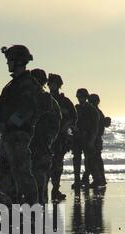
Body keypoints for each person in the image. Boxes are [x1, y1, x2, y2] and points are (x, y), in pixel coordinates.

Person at [0, 45, 40, 205]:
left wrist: (10, 123)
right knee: (5, 178)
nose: (7, 64)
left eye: (9, 60)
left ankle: (31, 212)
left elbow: (28, 110)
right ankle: (8, 212)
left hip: (18, 135)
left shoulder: (28, 84)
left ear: (18, 61)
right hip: (8, 136)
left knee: (22, 175)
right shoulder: (12, 85)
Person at [30, 68, 62, 203]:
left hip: (42, 146)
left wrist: (48, 141)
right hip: (31, 146)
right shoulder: (28, 99)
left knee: (41, 180)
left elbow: (57, 124)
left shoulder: (47, 100)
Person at [47, 73, 77, 201]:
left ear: (58, 85)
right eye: (49, 83)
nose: (51, 85)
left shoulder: (65, 101)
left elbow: (74, 117)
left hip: (60, 139)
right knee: (45, 164)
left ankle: (55, 189)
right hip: (46, 138)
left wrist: (65, 127)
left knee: (58, 165)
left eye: (53, 83)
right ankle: (43, 190)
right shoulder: (45, 99)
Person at [72, 88, 103, 190]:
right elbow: (71, 122)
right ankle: (77, 181)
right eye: (78, 96)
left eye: (82, 96)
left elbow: (95, 127)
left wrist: (92, 140)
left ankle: (93, 179)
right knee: (77, 159)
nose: (80, 98)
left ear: (86, 97)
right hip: (77, 138)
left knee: (89, 161)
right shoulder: (76, 108)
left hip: (88, 138)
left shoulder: (91, 109)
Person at [83, 94, 111, 186]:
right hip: (96, 139)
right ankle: (100, 179)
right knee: (96, 159)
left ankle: (98, 179)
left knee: (92, 160)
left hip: (94, 139)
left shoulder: (93, 112)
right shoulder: (97, 111)